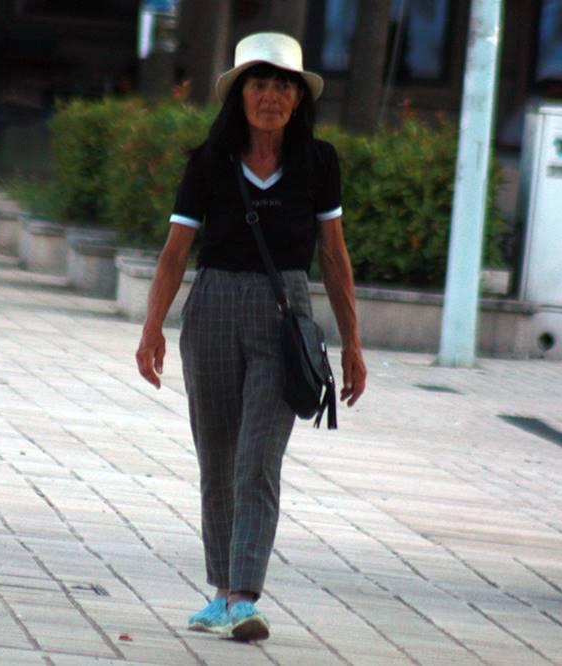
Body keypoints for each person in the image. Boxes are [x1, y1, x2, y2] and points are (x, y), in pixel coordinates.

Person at [134, 32, 366, 642]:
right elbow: (175, 252)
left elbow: (334, 256)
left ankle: (244, 596)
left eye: (283, 85)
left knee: (258, 458)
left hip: (284, 317)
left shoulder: (319, 163)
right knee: (217, 457)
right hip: (211, 308)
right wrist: (153, 327)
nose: (270, 96)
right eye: (258, 84)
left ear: (299, 98)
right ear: (238, 95)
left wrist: (352, 343)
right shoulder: (208, 162)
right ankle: (220, 590)